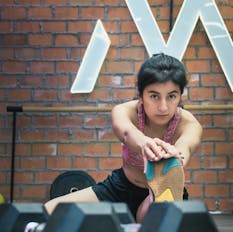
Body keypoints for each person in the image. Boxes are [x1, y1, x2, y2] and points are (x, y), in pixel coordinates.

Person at [44, 53, 202, 222]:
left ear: (179, 96)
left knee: (150, 217)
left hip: (165, 193)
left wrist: (175, 155)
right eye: (154, 96)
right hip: (120, 188)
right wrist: (145, 145)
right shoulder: (124, 111)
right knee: (48, 210)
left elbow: (187, 144)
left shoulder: (188, 122)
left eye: (171, 96)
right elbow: (126, 132)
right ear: (141, 94)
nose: (163, 107)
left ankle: (155, 201)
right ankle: (149, 212)